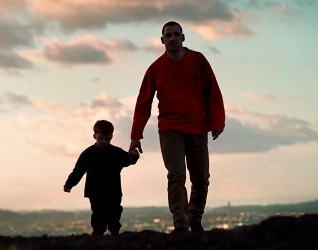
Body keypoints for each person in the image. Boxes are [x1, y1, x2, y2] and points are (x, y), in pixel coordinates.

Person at [129, 21, 225, 234]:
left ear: (183, 37)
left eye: (176, 34)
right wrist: (136, 136)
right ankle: (180, 222)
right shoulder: (155, 69)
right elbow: (143, 103)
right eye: (168, 35)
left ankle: (195, 216)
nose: (172, 38)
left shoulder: (199, 60)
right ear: (162, 41)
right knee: (176, 174)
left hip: (198, 128)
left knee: (201, 177)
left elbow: (213, 92)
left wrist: (217, 122)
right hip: (170, 129)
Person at [64, 120, 139, 235]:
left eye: (107, 139)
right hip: (95, 193)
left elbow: (128, 160)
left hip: (113, 191)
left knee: (114, 214)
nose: (104, 141)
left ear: (111, 137)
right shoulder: (88, 153)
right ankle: (98, 236)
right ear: (94, 136)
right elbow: (78, 171)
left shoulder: (116, 152)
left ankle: (115, 235)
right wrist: (69, 184)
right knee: (98, 216)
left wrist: (134, 157)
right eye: (101, 138)